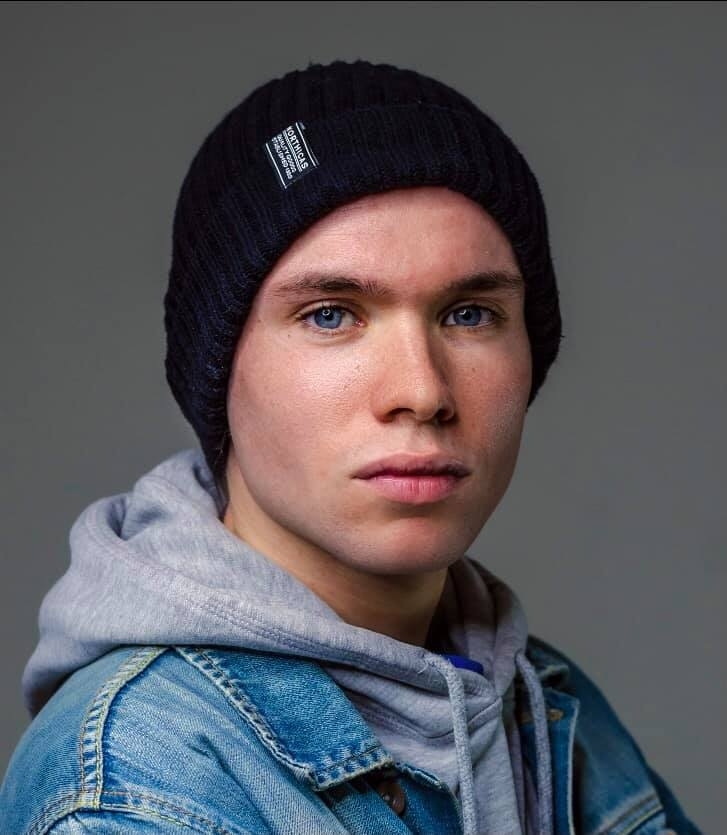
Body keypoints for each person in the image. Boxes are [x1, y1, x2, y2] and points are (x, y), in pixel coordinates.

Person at [0, 60, 699, 835]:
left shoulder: (551, 708)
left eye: (469, 314)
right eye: (330, 314)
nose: (422, 390)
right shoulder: (139, 788)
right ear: (218, 369)